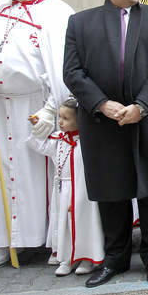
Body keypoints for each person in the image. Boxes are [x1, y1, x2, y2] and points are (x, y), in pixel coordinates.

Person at [64, 0, 148, 287]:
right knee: (111, 192)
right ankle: (115, 258)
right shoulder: (81, 23)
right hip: (104, 122)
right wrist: (103, 105)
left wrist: (142, 105)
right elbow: (73, 72)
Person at [0, 0, 73, 267]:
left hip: (37, 108)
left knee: (35, 177)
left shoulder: (57, 14)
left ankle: (43, 239)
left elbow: (63, 68)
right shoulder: (0, 7)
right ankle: (4, 240)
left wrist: (52, 109)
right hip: (0, 109)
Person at [29, 98, 103, 276]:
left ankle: (87, 257)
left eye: (66, 118)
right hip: (62, 190)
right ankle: (67, 258)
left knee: (83, 222)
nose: (60, 122)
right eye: (59, 118)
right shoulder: (58, 140)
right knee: (64, 225)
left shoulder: (85, 143)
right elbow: (39, 145)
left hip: (82, 190)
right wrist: (37, 128)